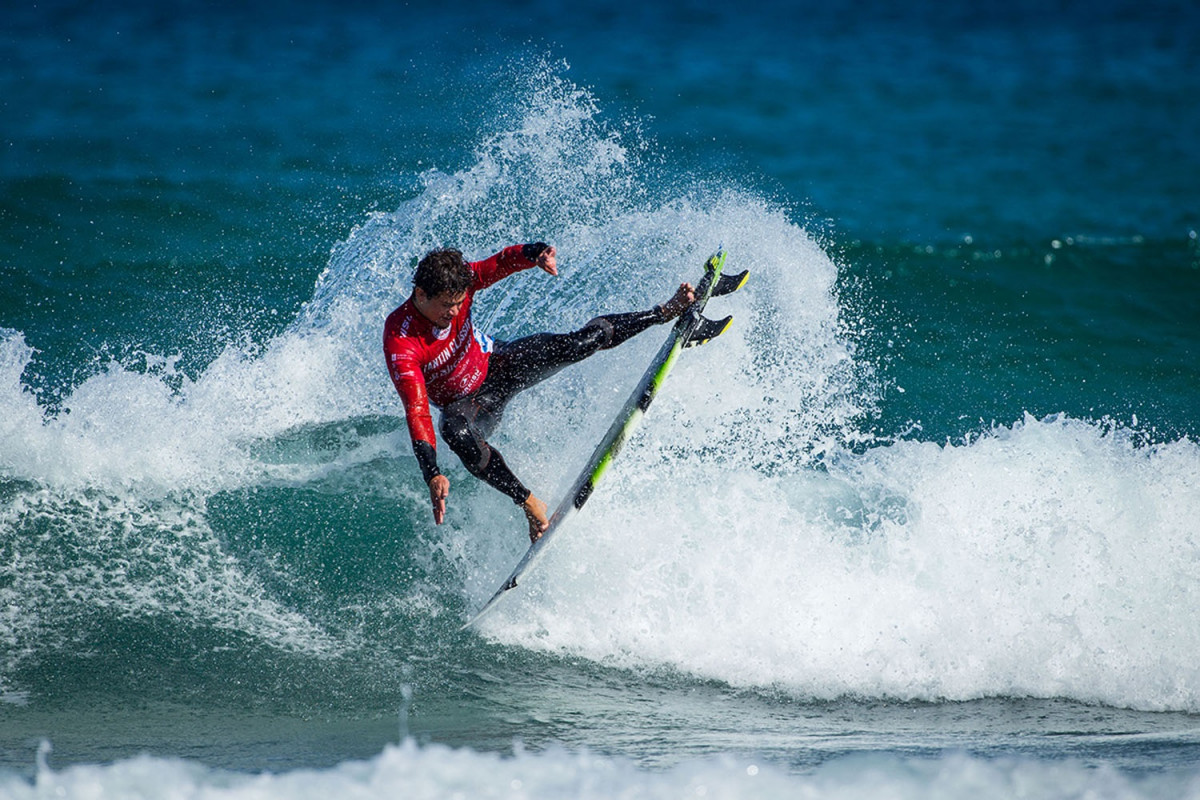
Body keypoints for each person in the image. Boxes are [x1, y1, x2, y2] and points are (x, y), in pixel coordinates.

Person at [384, 243, 695, 542]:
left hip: (499, 364)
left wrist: (535, 253)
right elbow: (416, 409)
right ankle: (530, 503)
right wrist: (432, 473)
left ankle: (664, 311)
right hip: (470, 405)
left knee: (576, 344)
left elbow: (501, 262)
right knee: (456, 432)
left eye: (458, 303)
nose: (454, 313)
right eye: (446, 306)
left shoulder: (461, 282)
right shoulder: (401, 339)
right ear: (421, 294)